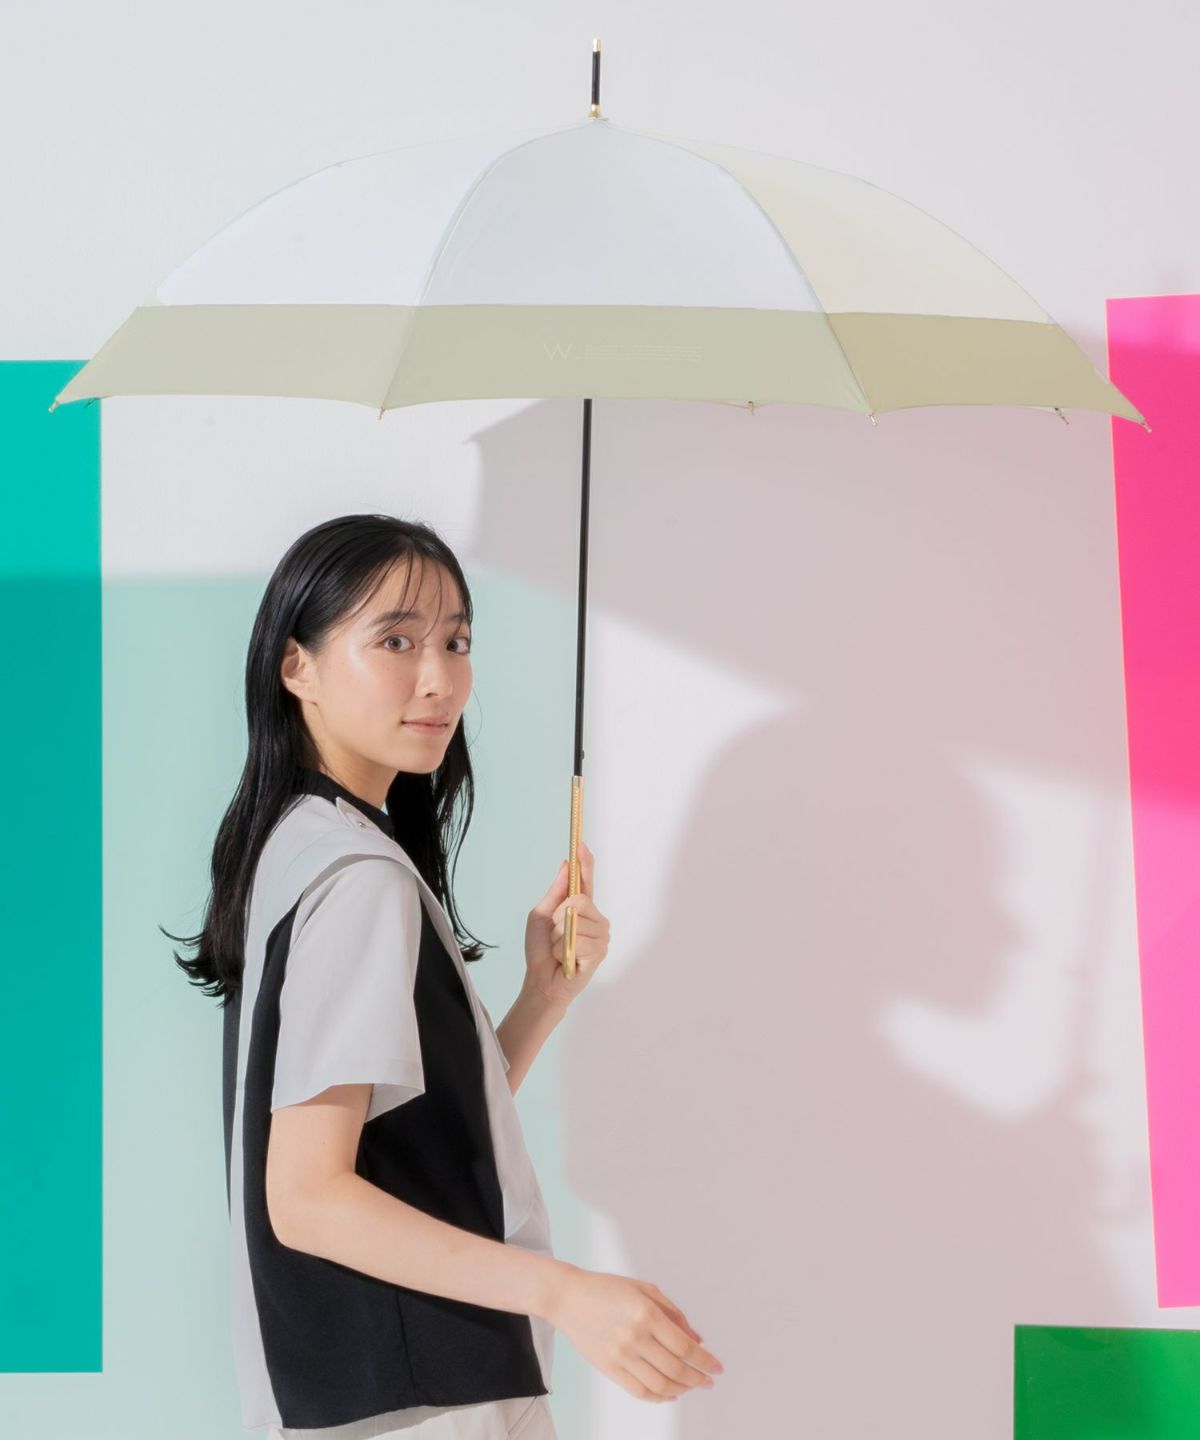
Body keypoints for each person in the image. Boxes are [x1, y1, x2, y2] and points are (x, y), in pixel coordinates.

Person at [167, 514, 724, 1438]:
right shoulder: (359, 877)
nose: (440, 679)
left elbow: (408, 1137)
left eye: (457, 642)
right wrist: (567, 1293)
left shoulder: (301, 843)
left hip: (370, 1396)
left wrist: (542, 1000)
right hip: (419, 1402)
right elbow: (306, 1198)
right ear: (296, 666)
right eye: (395, 642)